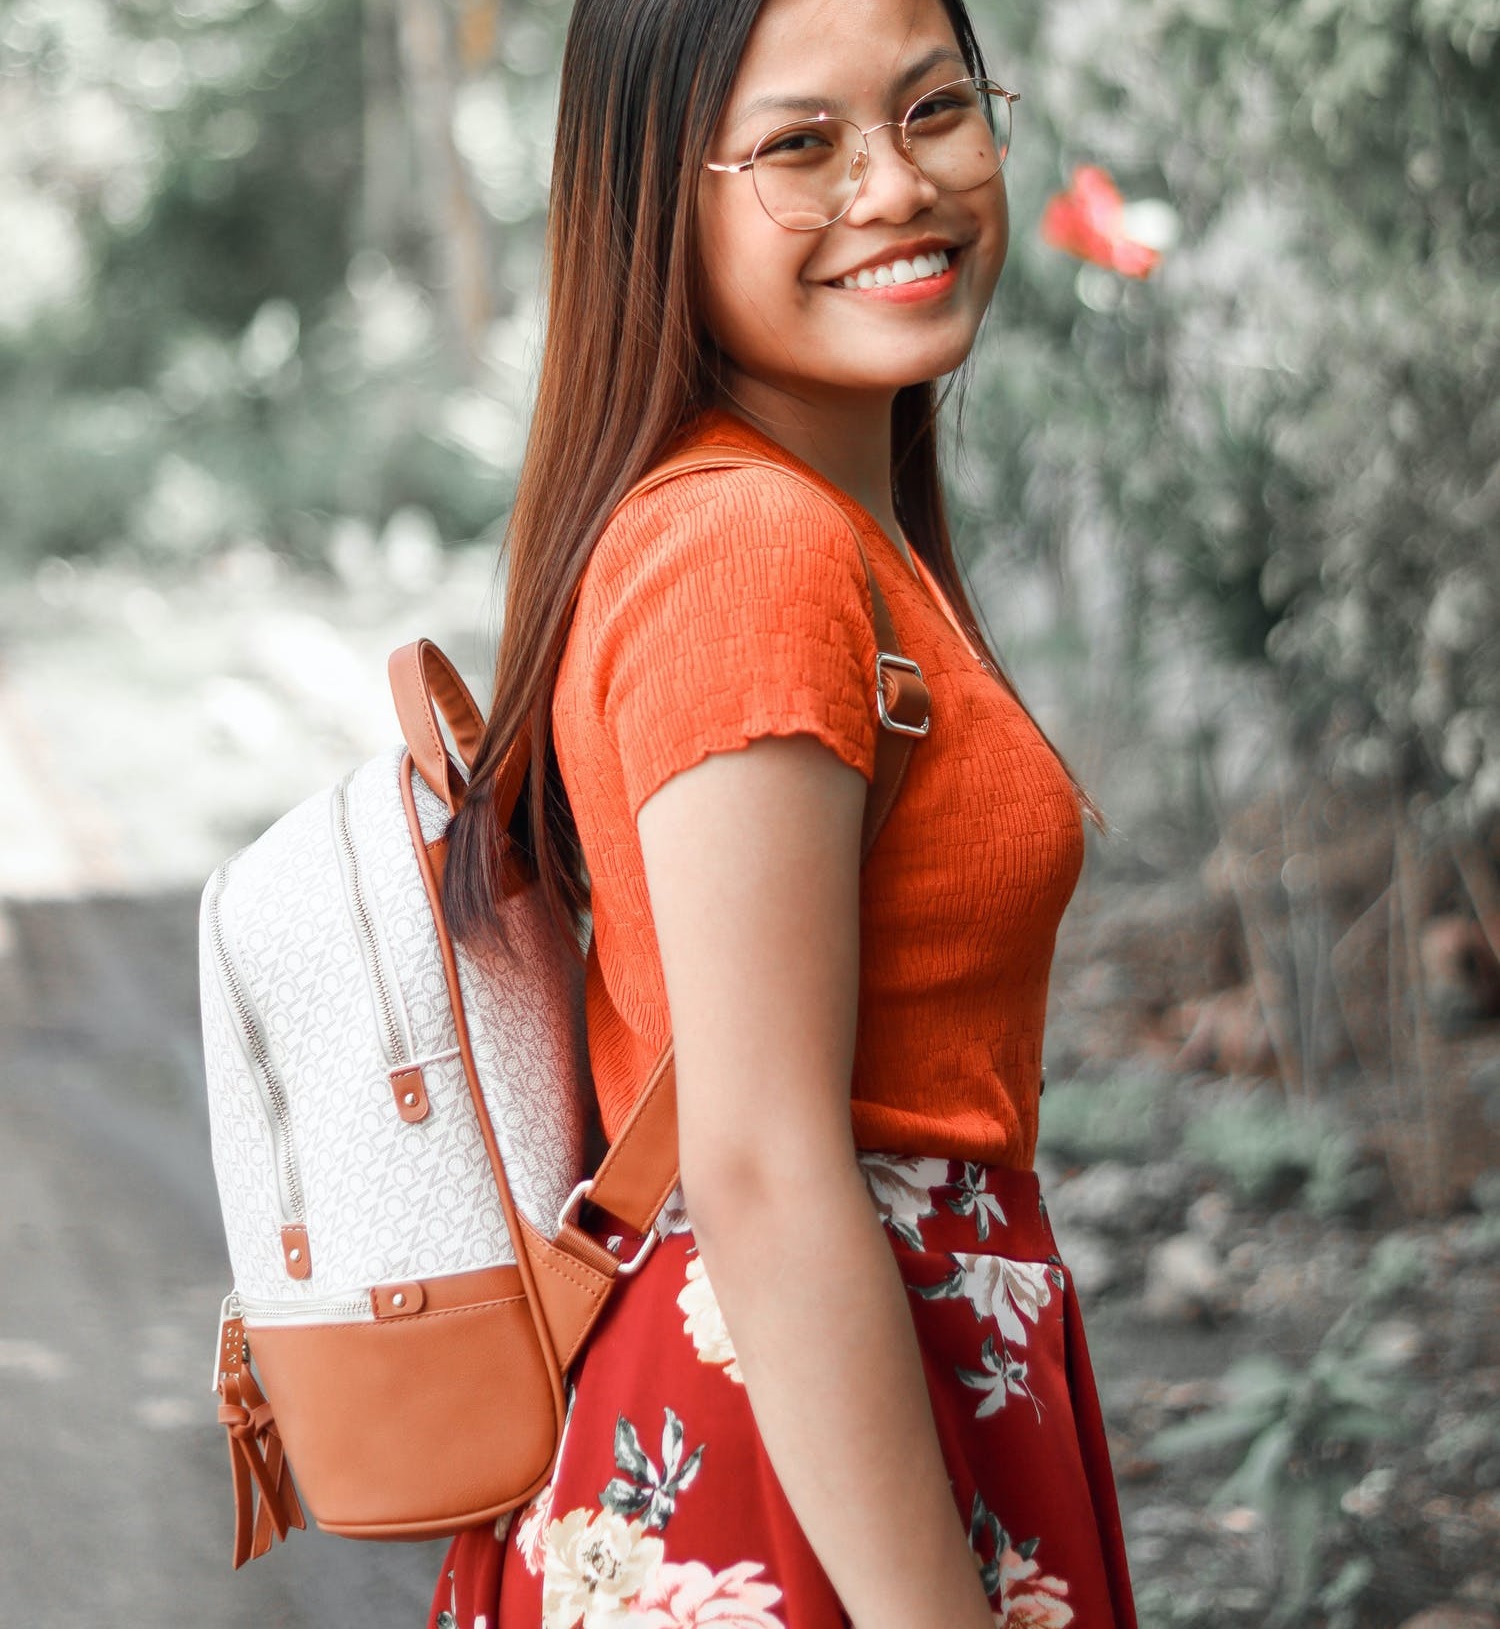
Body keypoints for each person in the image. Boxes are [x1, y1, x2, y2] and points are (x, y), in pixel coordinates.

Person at [434, 0, 1138, 1625]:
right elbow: (755, 1162)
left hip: (845, 1407)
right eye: (802, 147)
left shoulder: (816, 524)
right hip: (783, 1455)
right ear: (653, 203)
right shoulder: (748, 553)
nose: (896, 187)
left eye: (935, 109)